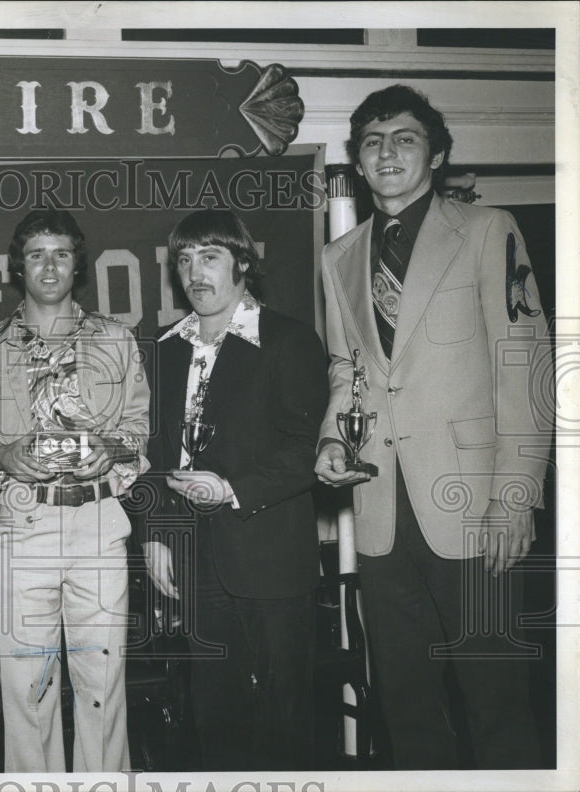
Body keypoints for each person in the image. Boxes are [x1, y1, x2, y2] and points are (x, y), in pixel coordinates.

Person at [315, 84, 550, 769]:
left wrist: (515, 497)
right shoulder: (340, 258)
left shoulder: (485, 230)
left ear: (437, 155)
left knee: (496, 700)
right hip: (383, 512)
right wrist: (336, 438)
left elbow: (524, 367)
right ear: (358, 162)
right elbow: (347, 371)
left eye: (405, 139)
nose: (387, 152)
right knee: (406, 703)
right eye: (372, 142)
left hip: (474, 509)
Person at [0, 208, 149, 772]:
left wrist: (109, 449)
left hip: (96, 523)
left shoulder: (116, 339)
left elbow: (138, 430)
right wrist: (2, 454)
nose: (49, 264)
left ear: (77, 265)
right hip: (21, 524)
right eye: (37, 253)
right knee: (28, 685)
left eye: (61, 253)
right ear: (19, 265)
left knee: (101, 680)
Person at [141, 209, 328, 770]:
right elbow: (150, 453)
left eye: (211, 257)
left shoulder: (289, 340)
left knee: (284, 717)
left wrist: (229, 488)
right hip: (193, 562)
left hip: (270, 554)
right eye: (185, 259)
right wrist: (155, 535)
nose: (195, 272)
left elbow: (304, 453)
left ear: (242, 263)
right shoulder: (165, 348)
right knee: (215, 716)